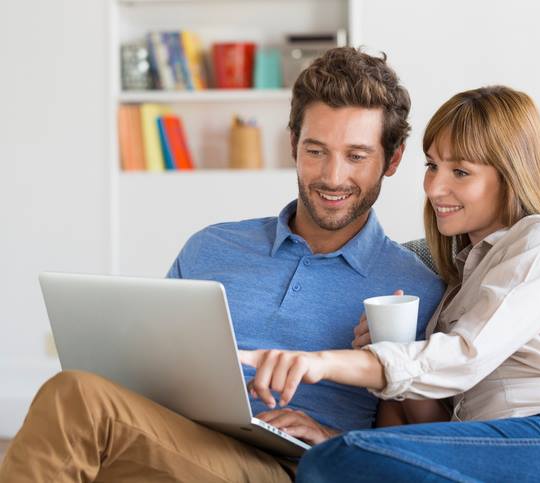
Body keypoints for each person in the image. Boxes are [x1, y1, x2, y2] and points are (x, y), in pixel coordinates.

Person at [0, 48, 444, 483]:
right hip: (176, 442)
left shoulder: (414, 289)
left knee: (75, 397)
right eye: (315, 151)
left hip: (292, 465)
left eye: (356, 156)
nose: (332, 176)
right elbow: (150, 369)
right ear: (292, 143)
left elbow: (428, 446)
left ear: (393, 159)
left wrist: (332, 438)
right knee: (85, 423)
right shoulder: (211, 248)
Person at [238, 86, 540, 482]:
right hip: (484, 448)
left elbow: (464, 356)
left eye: (460, 171)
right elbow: (424, 427)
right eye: (431, 166)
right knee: (333, 457)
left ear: (511, 174)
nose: (434, 188)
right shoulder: (458, 289)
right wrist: (335, 430)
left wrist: (318, 363)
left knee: (335, 462)